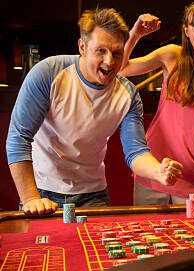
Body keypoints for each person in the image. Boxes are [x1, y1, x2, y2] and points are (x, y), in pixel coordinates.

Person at [6, 8, 183, 215]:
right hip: (43, 194)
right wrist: (30, 198)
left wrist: (159, 172)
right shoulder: (48, 73)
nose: (110, 61)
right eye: (101, 51)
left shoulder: (129, 94)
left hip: (93, 195)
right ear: (82, 47)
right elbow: (19, 138)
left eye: (117, 53)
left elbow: (136, 153)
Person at [120, 0, 194, 205]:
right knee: (146, 235)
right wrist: (135, 34)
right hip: (153, 169)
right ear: (186, 30)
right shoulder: (172, 55)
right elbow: (122, 68)